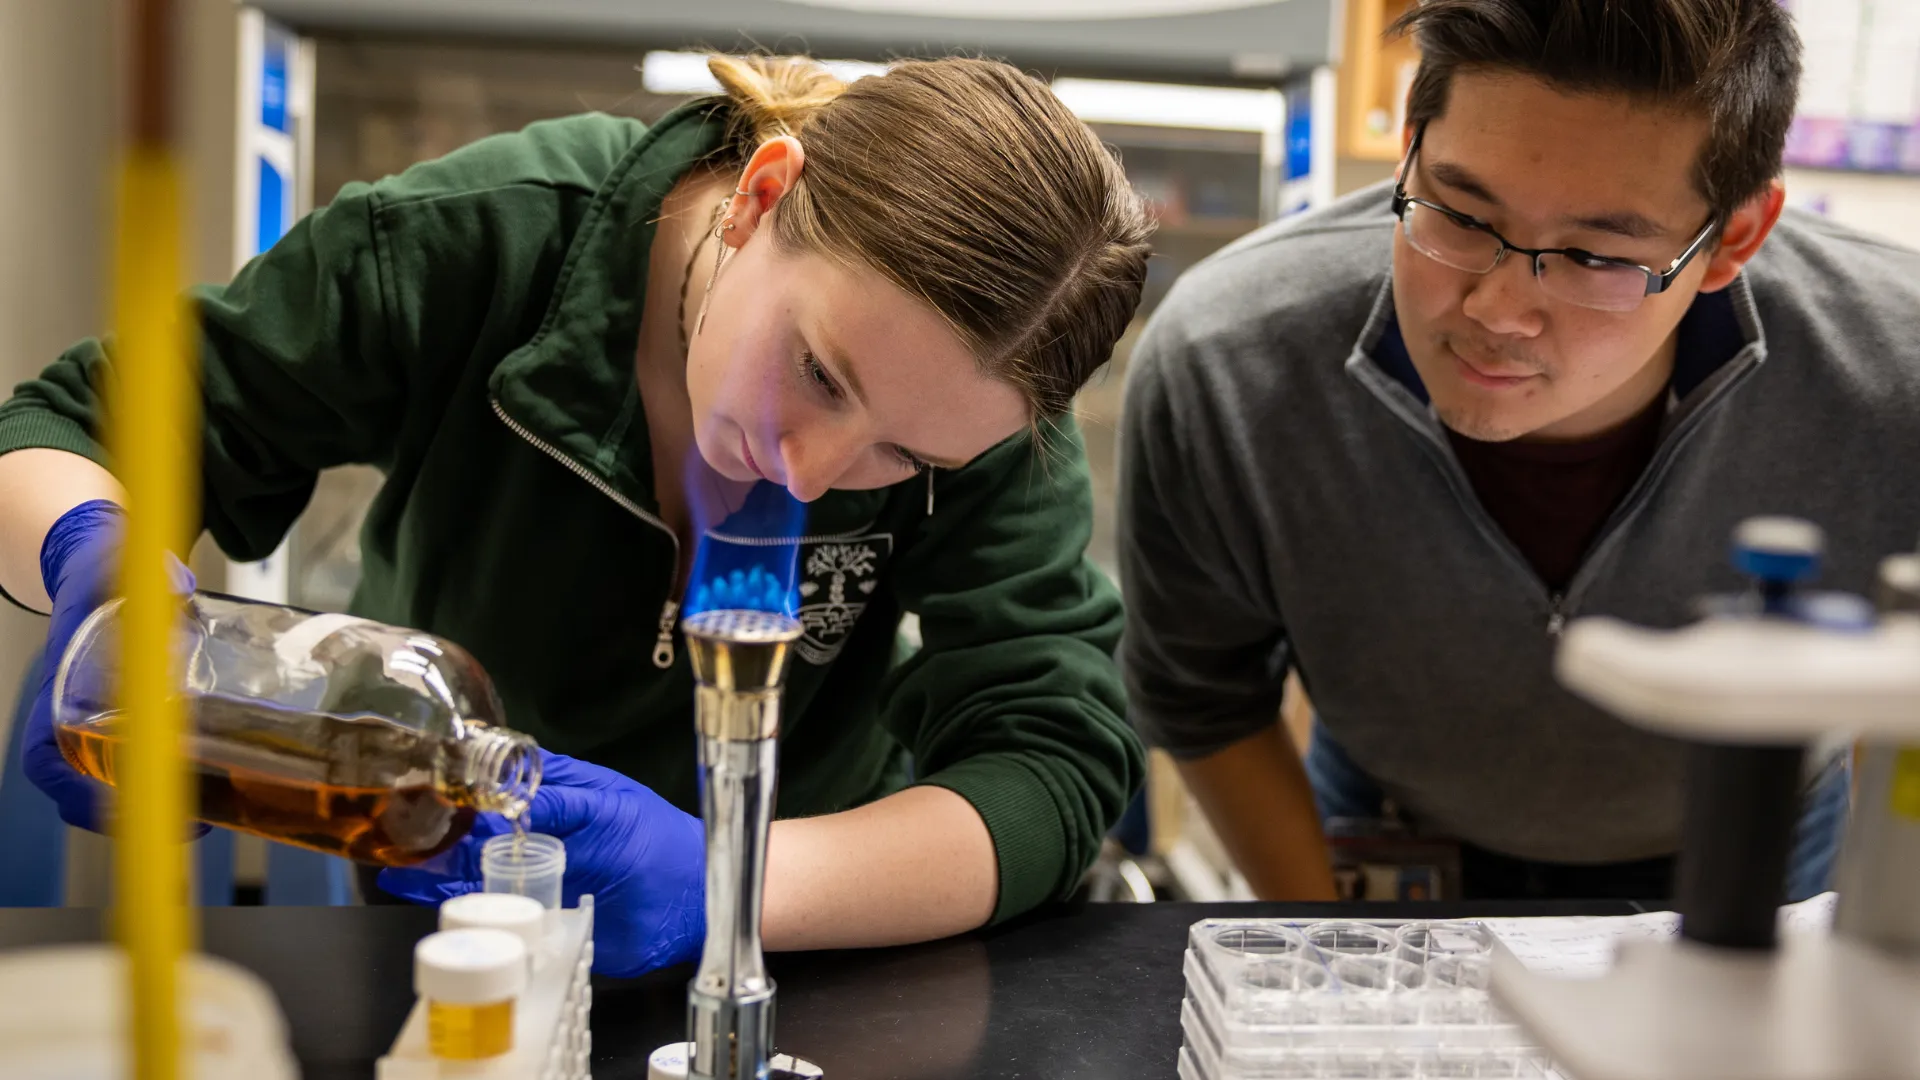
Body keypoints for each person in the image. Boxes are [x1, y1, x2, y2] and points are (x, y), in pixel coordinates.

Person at [0, 54, 1152, 975]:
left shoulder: (980, 409)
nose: (807, 475)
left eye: (901, 455)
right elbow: (71, 424)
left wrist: (728, 883)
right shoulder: (486, 241)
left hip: (806, 942)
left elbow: (1051, 760)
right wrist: (94, 570)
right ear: (761, 196)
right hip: (439, 920)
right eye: (819, 373)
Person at [1119, 0, 1916, 902]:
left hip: (1761, 828)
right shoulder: (1229, 360)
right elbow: (1202, 697)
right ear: (1413, 139)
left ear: (1733, 237)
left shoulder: (1896, 375)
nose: (1498, 309)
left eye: (1593, 256)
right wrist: (1320, 938)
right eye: (1459, 214)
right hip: (1392, 825)